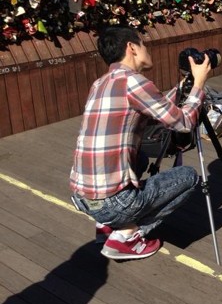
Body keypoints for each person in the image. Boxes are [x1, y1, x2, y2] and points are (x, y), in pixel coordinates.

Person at [70, 26, 211, 260]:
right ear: (131, 47)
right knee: (188, 177)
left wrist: (184, 84)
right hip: (111, 202)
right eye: (143, 44)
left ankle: (106, 226)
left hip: (81, 197)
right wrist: (198, 85)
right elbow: (183, 123)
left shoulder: (100, 83)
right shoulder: (134, 82)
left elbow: (157, 110)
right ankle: (126, 236)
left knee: (141, 158)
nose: (146, 49)